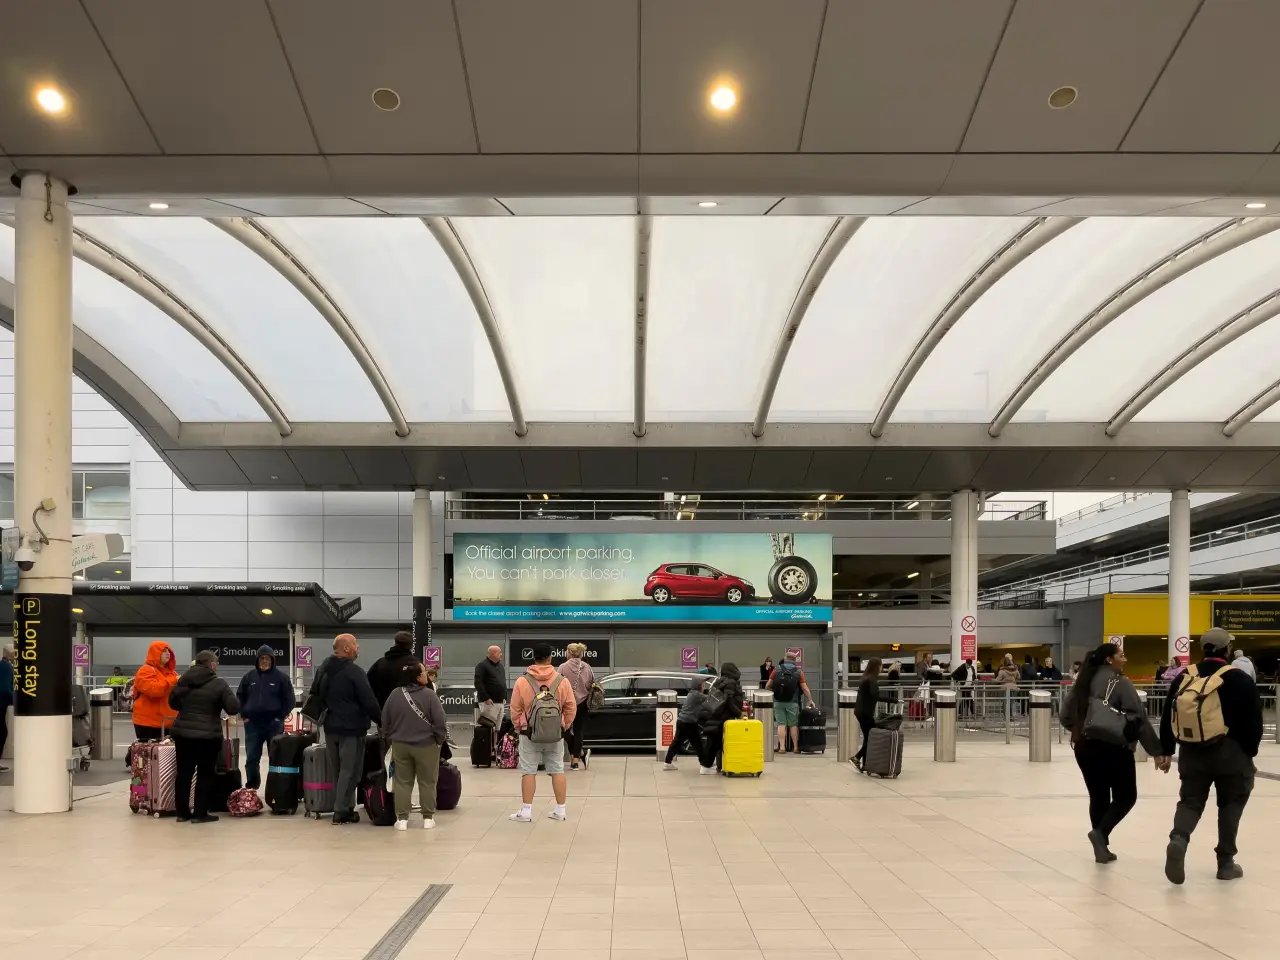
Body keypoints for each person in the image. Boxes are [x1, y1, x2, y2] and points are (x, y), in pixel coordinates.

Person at [1160, 628, 1263, 884]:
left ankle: (1178, 838)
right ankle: (1225, 862)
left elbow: (1167, 714)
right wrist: (1250, 752)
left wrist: (1167, 749)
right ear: (1227, 650)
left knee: (1190, 801)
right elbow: (1254, 721)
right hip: (1231, 753)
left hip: (1192, 752)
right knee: (1231, 804)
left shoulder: (1186, 676)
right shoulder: (1238, 678)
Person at [1062, 643, 1166, 864]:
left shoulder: (1082, 682)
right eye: (1121, 655)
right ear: (1110, 660)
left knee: (1098, 796)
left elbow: (1065, 716)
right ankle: (1100, 834)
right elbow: (1139, 720)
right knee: (1126, 796)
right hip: (1115, 748)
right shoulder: (1120, 682)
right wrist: (1156, 751)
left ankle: (1101, 848)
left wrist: (1083, 729)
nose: (1125, 659)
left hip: (1084, 747)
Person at [311, 634, 381, 825]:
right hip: (352, 729)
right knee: (351, 771)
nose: (358, 648)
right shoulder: (355, 672)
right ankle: (341, 811)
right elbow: (369, 701)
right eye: (356, 645)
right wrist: (382, 720)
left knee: (338, 772)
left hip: (330, 728)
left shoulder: (323, 669)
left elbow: (315, 694)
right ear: (347, 648)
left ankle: (345, 807)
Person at [168, 650, 240, 824]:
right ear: (212, 664)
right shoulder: (219, 683)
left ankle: (182, 813)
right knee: (205, 774)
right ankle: (200, 813)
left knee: (184, 773)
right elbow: (233, 707)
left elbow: (173, 702)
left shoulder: (184, 680)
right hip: (208, 736)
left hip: (183, 734)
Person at [508, 643, 576, 821]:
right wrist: (564, 725)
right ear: (550, 658)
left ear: (534, 658)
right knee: (557, 770)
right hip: (555, 733)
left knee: (529, 771)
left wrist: (519, 726)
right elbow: (570, 706)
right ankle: (560, 810)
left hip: (528, 733)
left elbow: (514, 708)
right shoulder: (562, 681)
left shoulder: (522, 681)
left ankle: (526, 811)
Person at [380, 659, 448, 830]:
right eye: (424, 672)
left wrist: (390, 739)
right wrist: (438, 740)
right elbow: (440, 721)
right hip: (426, 745)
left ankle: (402, 819)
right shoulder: (429, 695)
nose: (427, 675)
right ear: (418, 677)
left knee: (402, 782)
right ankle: (427, 818)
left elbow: (385, 721)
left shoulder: (395, 694)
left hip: (400, 745)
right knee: (427, 781)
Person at [235, 644, 295, 791]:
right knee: (251, 759)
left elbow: (290, 700)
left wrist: (279, 717)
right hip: (252, 725)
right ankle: (252, 787)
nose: (265, 661)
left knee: (276, 759)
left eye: (268, 658)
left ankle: (275, 789)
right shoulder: (249, 677)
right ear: (257, 660)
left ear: (273, 660)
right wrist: (243, 715)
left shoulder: (281, 678)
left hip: (273, 724)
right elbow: (239, 697)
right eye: (262, 658)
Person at [698, 662, 744, 775]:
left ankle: (718, 766)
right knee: (716, 743)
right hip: (724, 717)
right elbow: (729, 701)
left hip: (715, 715)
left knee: (716, 742)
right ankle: (707, 766)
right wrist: (739, 713)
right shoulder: (730, 683)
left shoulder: (719, 681)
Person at [766, 652, 815, 754]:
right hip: (792, 702)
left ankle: (782, 748)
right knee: (793, 725)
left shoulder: (777, 669)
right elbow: (804, 688)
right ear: (795, 659)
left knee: (781, 724)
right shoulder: (798, 671)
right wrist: (810, 700)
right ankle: (796, 747)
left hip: (778, 701)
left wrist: (769, 693)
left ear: (785, 658)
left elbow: (768, 684)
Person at [132, 641, 179, 742]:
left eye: (169, 651)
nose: (168, 653)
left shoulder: (173, 673)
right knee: (148, 754)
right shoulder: (145, 671)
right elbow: (154, 690)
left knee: (167, 755)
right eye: (164, 651)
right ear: (155, 653)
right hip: (148, 724)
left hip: (168, 723)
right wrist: (174, 681)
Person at [558, 642, 595, 771]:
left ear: (570, 652)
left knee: (565, 730)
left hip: (566, 704)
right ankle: (577, 757)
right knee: (579, 731)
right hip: (583, 703)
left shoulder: (562, 667)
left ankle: (576, 757)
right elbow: (591, 685)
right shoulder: (587, 667)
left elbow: (557, 686)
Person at [853, 659, 892, 770]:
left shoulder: (865, 678)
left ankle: (865, 764)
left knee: (868, 737)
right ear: (877, 666)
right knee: (871, 737)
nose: (882, 668)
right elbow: (875, 696)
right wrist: (893, 700)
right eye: (881, 666)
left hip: (860, 711)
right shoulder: (872, 680)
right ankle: (857, 757)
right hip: (865, 713)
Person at [663, 678, 707, 770]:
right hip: (689, 723)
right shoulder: (697, 695)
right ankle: (705, 764)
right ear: (698, 686)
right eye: (703, 685)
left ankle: (667, 762)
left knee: (676, 743)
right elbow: (710, 700)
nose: (704, 687)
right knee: (697, 743)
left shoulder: (691, 694)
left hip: (681, 721)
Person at [366, 631, 417, 708]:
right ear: (411, 646)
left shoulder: (380, 664)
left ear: (395, 642)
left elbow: (368, 686)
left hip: (383, 710)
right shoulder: (415, 664)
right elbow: (425, 687)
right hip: (409, 711)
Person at [474, 645, 507, 728]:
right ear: (494, 653)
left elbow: (502, 682)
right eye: (500, 653)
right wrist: (486, 698)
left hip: (500, 702)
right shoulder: (482, 666)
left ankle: (497, 741)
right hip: (489, 703)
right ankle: (488, 741)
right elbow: (478, 683)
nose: (501, 655)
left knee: (498, 728)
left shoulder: (501, 667)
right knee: (488, 728)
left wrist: (505, 697)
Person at [0, 645, 13, 772]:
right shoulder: (7, 667)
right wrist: (14, 700)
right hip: (1, 704)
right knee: (2, 732)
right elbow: (5, 688)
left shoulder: (2, 665)